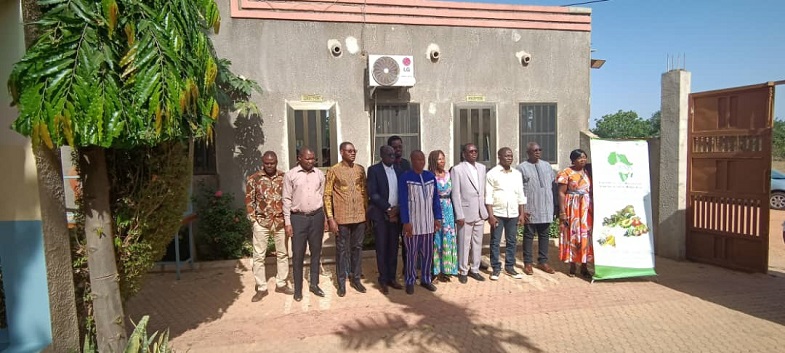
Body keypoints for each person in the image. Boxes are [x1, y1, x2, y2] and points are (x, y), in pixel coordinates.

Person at [246, 151, 294, 302]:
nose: (269, 165)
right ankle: (261, 287)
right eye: (267, 163)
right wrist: (254, 220)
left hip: (280, 222)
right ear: (263, 162)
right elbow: (249, 200)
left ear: (276, 162)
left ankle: (281, 283)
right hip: (262, 222)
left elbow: (289, 198)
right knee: (259, 256)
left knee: (283, 253)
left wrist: (288, 220)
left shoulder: (284, 177)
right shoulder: (254, 179)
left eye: (272, 163)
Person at [283, 147, 327, 301]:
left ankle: (314, 284)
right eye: (307, 158)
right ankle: (298, 289)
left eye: (313, 158)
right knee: (298, 254)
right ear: (299, 158)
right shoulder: (291, 175)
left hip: (316, 217)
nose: (310, 161)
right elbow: (286, 200)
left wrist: (325, 219)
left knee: (316, 252)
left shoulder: (320, 174)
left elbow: (322, 196)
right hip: (298, 219)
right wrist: (288, 222)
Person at [324, 142, 368, 297]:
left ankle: (356, 279)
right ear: (341, 152)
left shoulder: (360, 170)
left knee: (357, 248)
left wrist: (366, 214)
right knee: (342, 251)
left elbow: (364, 192)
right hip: (341, 219)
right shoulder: (333, 170)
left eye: (354, 150)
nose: (353, 153)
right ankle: (341, 282)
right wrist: (330, 218)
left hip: (359, 217)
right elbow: (327, 195)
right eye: (349, 151)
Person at [399, 150, 442, 294]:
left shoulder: (430, 176)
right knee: (411, 254)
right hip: (413, 224)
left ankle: (425, 279)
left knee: (428, 254)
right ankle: (410, 280)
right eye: (417, 160)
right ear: (412, 161)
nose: (421, 162)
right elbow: (403, 201)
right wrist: (405, 222)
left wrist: (437, 218)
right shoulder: (405, 177)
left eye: (422, 160)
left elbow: (435, 199)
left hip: (428, 223)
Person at [367, 145, 405, 294]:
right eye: (389, 155)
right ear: (382, 155)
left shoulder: (399, 170)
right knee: (382, 248)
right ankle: (382, 280)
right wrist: (388, 208)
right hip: (381, 215)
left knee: (394, 247)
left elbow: (403, 192)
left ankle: (392, 278)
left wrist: (398, 209)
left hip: (396, 215)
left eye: (393, 155)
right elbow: (373, 193)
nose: (392, 157)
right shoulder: (374, 170)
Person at [485, 147, 527, 281]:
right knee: (495, 241)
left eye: (511, 156)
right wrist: (491, 215)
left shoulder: (517, 174)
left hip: (513, 213)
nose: (509, 158)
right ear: (499, 157)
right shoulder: (492, 173)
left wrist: (521, 213)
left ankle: (510, 267)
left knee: (512, 241)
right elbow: (488, 196)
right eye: (506, 156)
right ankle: (496, 268)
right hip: (497, 213)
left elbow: (520, 194)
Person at [450, 143, 488, 284]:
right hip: (465, 213)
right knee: (464, 243)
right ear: (464, 154)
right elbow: (455, 194)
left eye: (475, 151)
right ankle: (463, 270)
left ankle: (475, 269)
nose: (473, 153)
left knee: (478, 243)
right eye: (470, 151)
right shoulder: (457, 169)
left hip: (479, 211)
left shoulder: (482, 168)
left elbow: (482, 191)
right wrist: (459, 214)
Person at [517, 142, 557, 275]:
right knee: (528, 236)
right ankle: (528, 263)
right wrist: (521, 210)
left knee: (544, 235)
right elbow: (518, 190)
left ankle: (543, 261)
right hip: (530, 208)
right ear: (528, 152)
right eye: (535, 150)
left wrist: (555, 206)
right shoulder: (521, 168)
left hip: (546, 207)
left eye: (540, 149)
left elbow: (553, 186)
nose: (538, 152)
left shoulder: (547, 166)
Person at [557, 149, 593, 278]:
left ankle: (584, 265)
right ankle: (572, 265)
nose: (583, 160)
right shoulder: (566, 173)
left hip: (586, 208)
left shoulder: (589, 172)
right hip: (572, 207)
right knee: (572, 235)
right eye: (579, 158)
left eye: (584, 157)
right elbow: (561, 193)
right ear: (573, 160)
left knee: (585, 235)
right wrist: (562, 213)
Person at [427, 150, 458, 282]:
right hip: (436, 208)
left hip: (448, 208)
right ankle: (435, 270)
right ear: (434, 160)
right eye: (439, 159)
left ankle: (447, 270)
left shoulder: (449, 174)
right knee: (436, 240)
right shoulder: (430, 175)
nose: (442, 161)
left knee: (448, 237)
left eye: (443, 158)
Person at [387, 135, 411, 277]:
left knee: (407, 244)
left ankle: (408, 271)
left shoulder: (406, 164)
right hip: (391, 212)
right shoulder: (386, 165)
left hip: (405, 210)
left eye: (400, 147)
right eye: (395, 147)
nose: (398, 150)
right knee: (392, 245)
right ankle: (391, 275)